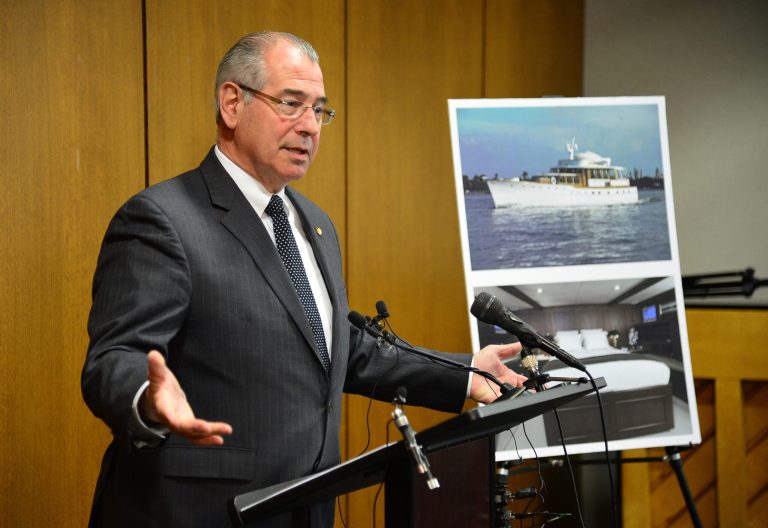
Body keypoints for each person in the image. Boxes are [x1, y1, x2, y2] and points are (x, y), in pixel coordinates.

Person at [81, 31, 525, 527]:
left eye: (319, 110)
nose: (310, 126)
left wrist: (467, 374)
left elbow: (339, 351)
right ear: (232, 102)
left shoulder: (313, 223)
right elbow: (113, 358)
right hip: (197, 512)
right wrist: (147, 396)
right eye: (291, 104)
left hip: (306, 507)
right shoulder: (163, 219)